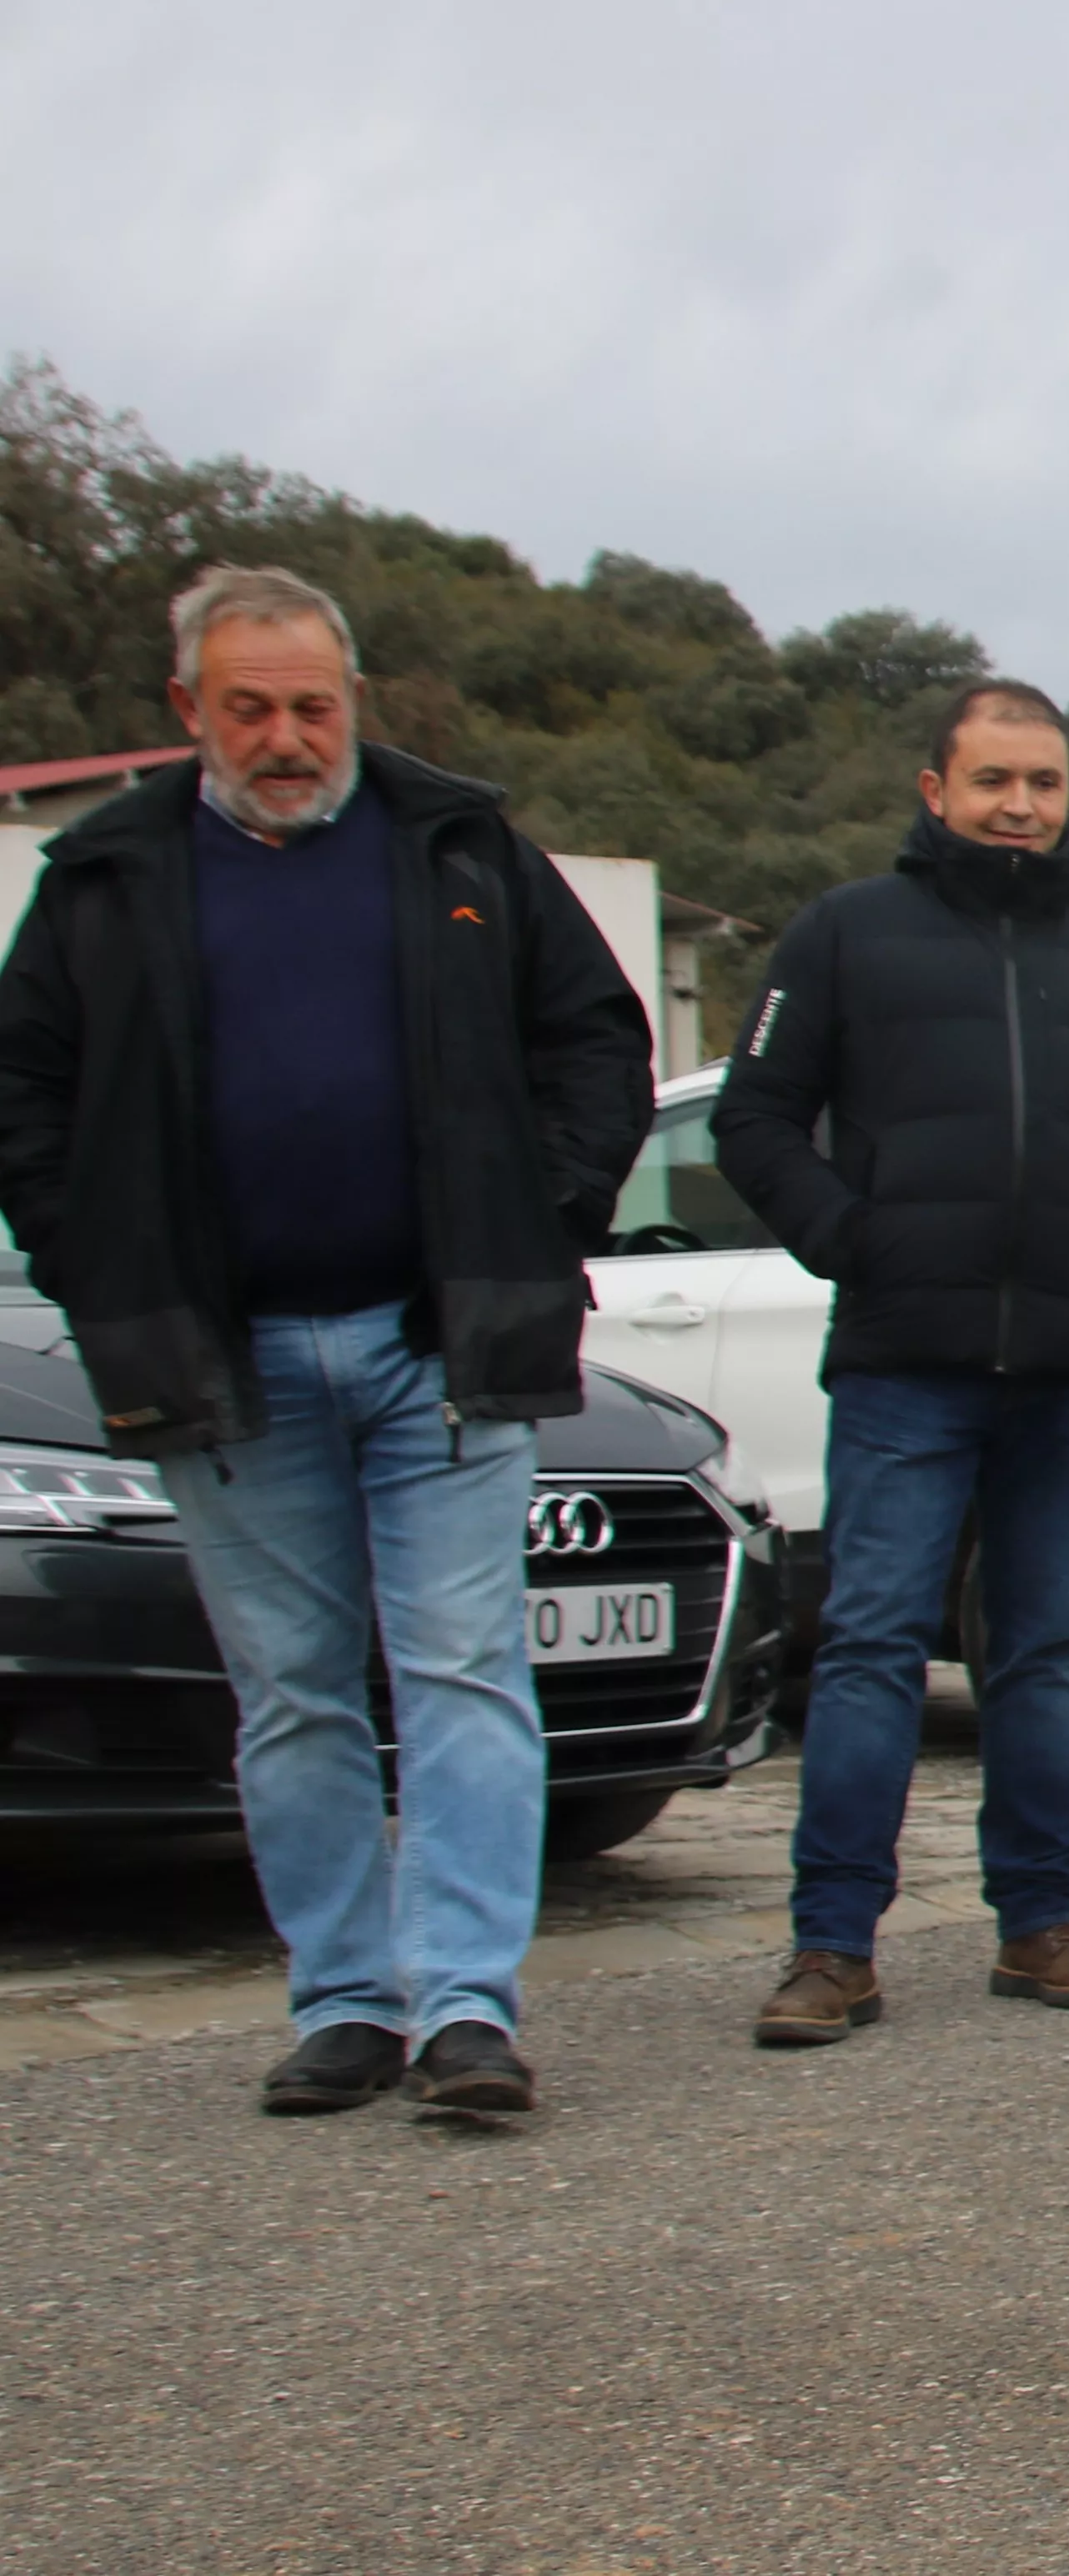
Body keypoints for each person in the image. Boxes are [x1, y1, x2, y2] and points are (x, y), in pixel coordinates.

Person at [0, 564, 652, 2118]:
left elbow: (596, 1038)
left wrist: (539, 1208)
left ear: (352, 701)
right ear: (188, 711)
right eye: (252, 709)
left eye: (313, 706)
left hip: (438, 1344)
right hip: (226, 1364)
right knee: (292, 1690)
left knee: (463, 1670)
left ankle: (469, 2010)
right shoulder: (104, 878)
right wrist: (92, 1253)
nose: (288, 737)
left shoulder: (457, 844)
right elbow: (23, 1091)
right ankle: (348, 1999)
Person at [715, 679, 1069, 2047]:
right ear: (934, 791)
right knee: (875, 1645)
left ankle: (1041, 1926)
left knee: (1043, 1650)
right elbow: (757, 1118)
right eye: (994, 780)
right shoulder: (847, 934)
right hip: (905, 1365)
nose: (1021, 806)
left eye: (1046, 783)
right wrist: (852, 1240)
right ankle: (833, 1946)